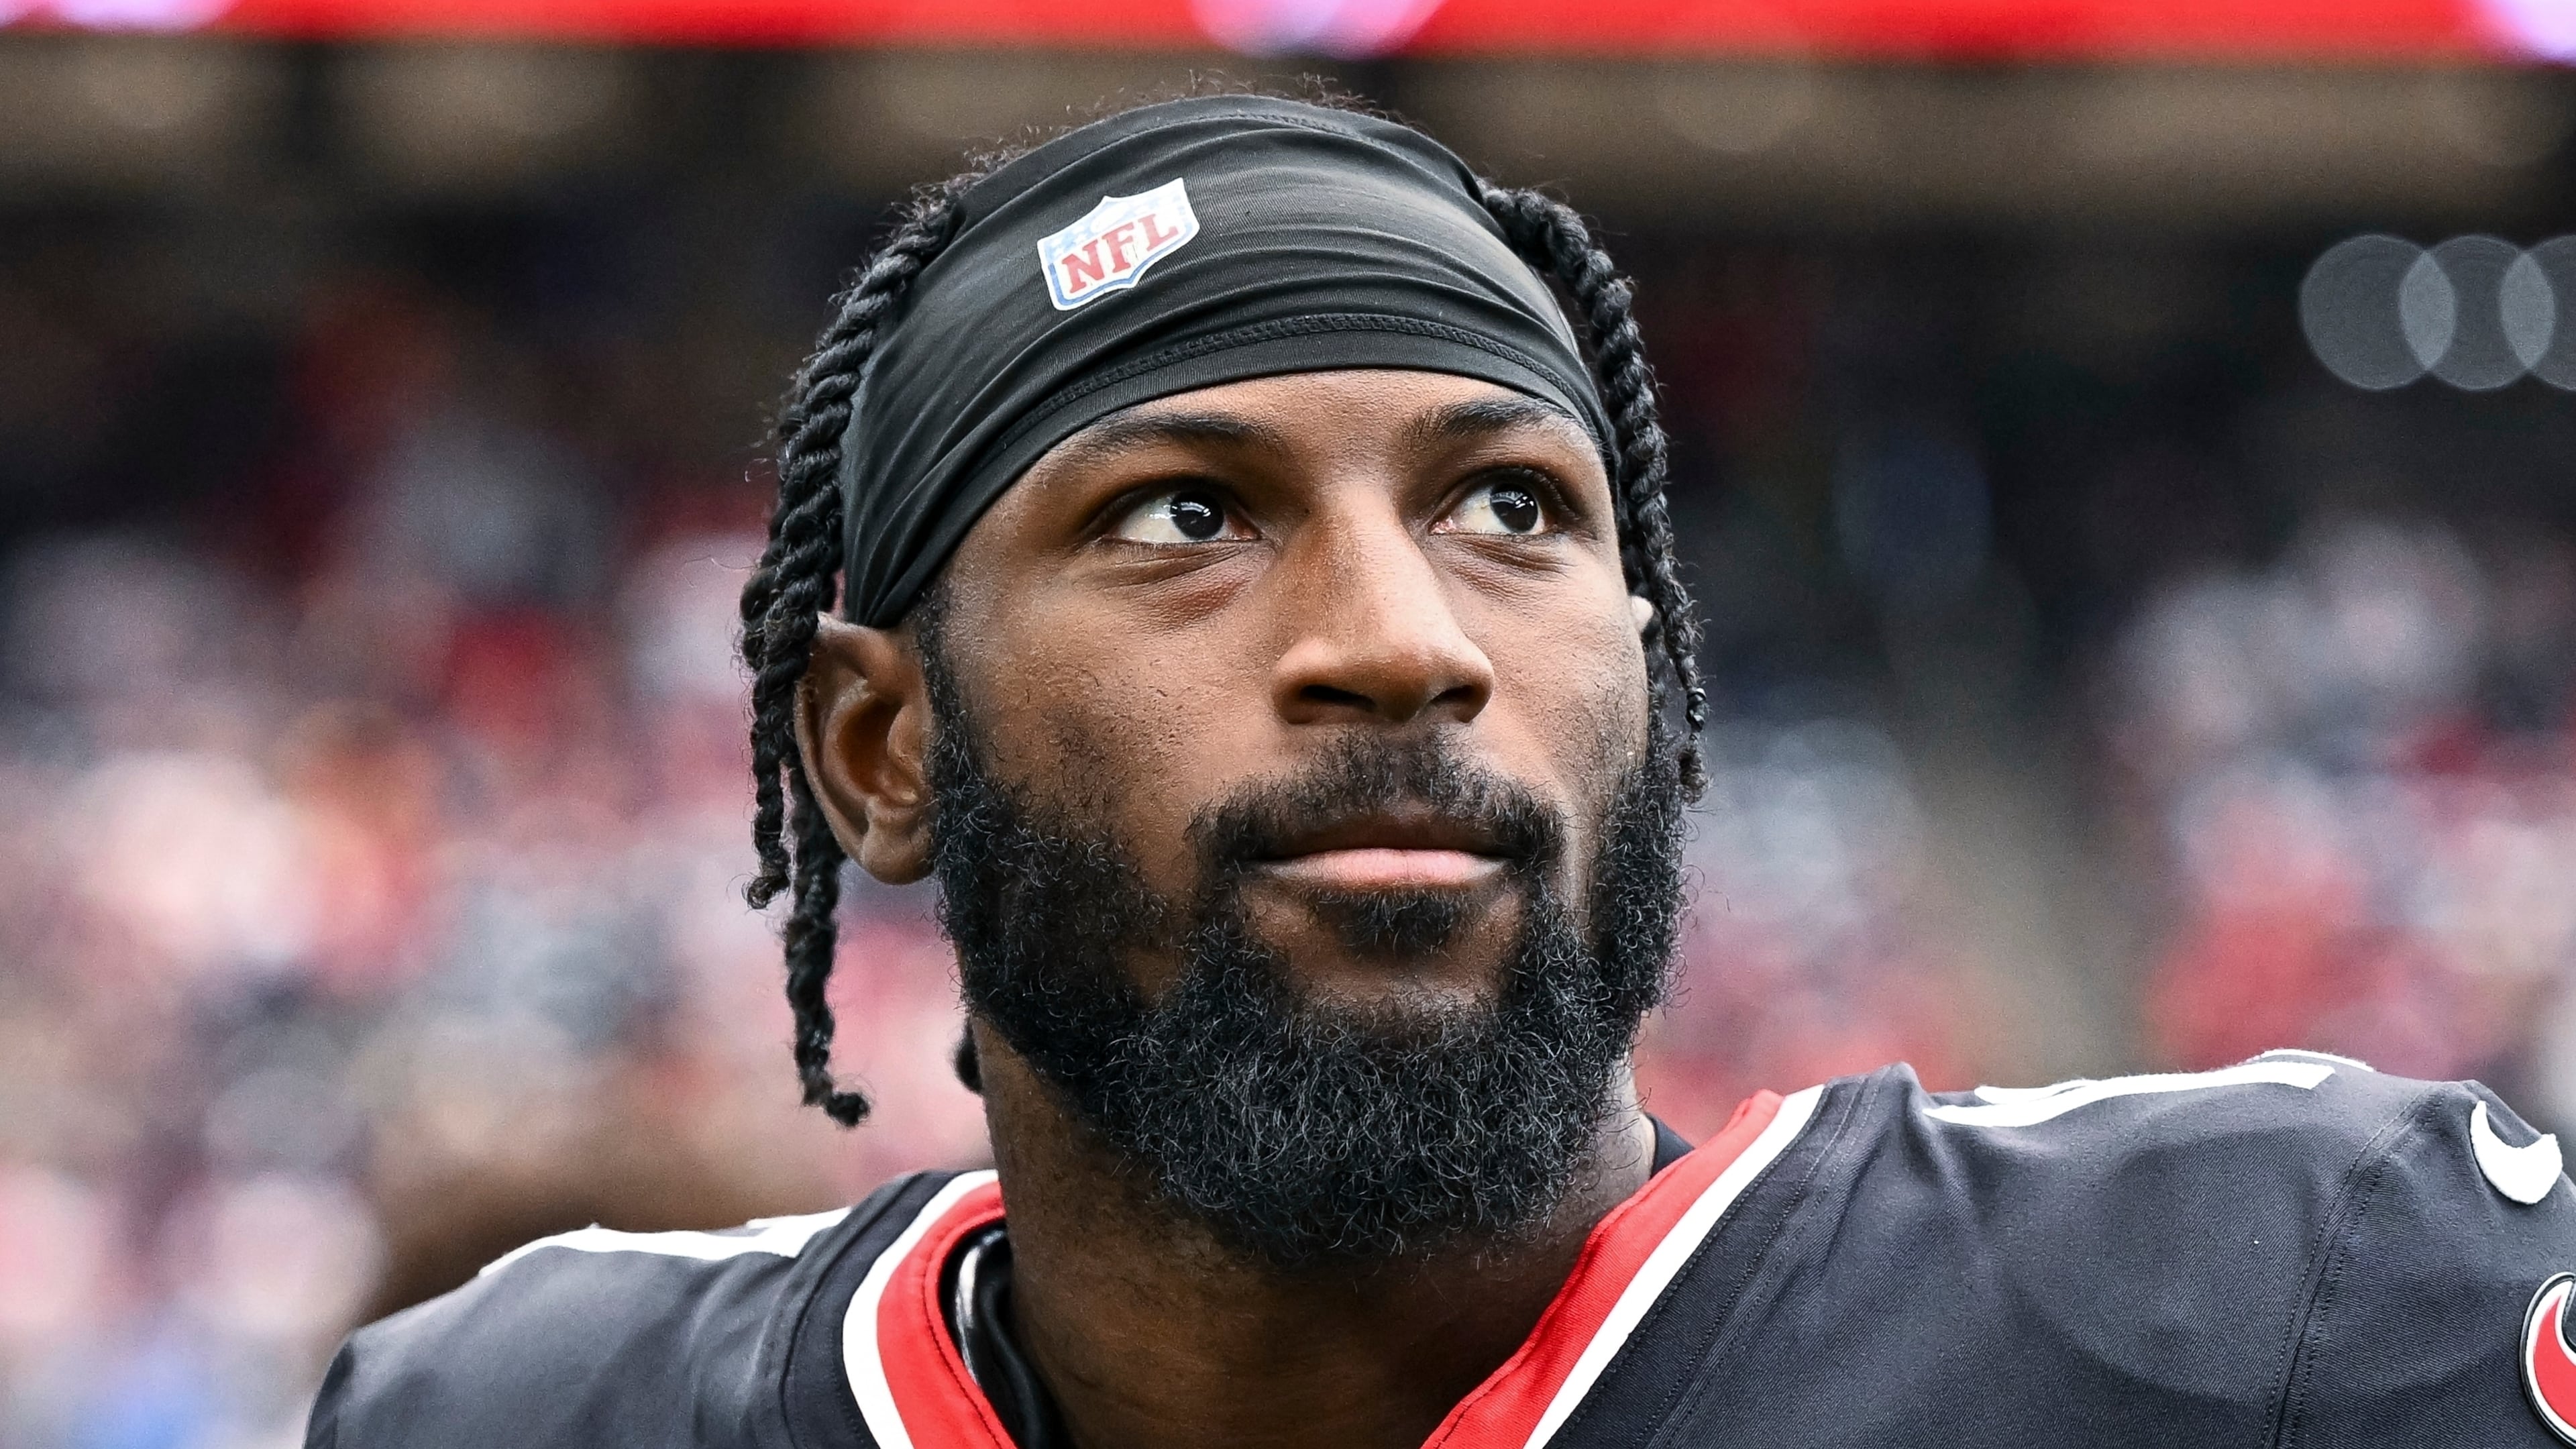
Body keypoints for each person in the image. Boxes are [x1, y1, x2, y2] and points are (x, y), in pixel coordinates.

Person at [304, 92, 2576, 1449]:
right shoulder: (516, 1411)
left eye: (1513, 509)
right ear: (878, 747)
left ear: (1658, 687)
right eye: (1183, 516)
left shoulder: (2307, 1309)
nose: (1404, 641)